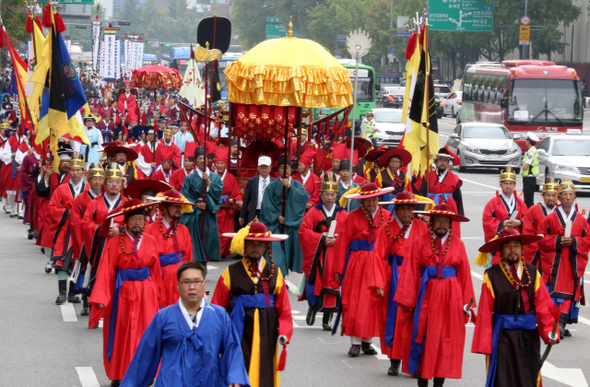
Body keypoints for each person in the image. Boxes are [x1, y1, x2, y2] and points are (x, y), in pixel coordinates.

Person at [121, 261, 250, 387]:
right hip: (171, 382)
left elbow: (231, 349)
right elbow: (145, 356)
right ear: (178, 285)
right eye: (186, 282)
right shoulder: (163, 317)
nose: (192, 287)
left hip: (209, 380)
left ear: (204, 284)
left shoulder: (219, 315)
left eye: (197, 281)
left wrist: (235, 378)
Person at [394, 203, 475, 387]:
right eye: (437, 220)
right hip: (426, 295)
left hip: (451, 297)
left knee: (446, 341)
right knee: (424, 336)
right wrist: (408, 299)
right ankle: (422, 379)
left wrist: (466, 304)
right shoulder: (419, 241)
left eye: (445, 221)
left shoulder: (458, 244)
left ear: (450, 224)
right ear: (430, 222)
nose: (441, 224)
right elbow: (410, 270)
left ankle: (439, 381)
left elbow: (464, 274)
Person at [472, 228, 560, 387]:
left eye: (516, 246)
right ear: (500, 251)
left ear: (522, 249)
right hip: (502, 337)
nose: (513, 250)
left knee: (529, 378)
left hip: (528, 336)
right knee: (503, 379)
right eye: (508, 246)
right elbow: (485, 311)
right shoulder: (491, 275)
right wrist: (485, 343)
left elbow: (544, 306)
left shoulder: (533, 273)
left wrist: (549, 332)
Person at [89, 199, 162, 387]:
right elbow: (105, 270)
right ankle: (119, 373)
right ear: (126, 221)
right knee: (121, 333)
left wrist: (158, 295)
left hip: (146, 292)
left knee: (146, 334)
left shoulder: (151, 241)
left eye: (141, 219)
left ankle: (145, 374)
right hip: (123, 293)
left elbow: (155, 272)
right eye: (135, 219)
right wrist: (101, 297)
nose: (138, 223)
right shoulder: (115, 242)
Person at [212, 221, 293, 387]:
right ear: (244, 245)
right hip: (238, 329)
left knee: (265, 370)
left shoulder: (275, 273)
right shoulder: (230, 273)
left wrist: (284, 332)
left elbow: (284, 307)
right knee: (238, 366)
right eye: (251, 243)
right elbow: (218, 307)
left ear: (266, 247)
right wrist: (217, 336)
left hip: (267, 329)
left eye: (260, 244)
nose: (255, 247)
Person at [330, 182, 394, 356]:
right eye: (367, 200)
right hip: (357, 264)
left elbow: (394, 241)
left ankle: (368, 341)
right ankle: (355, 342)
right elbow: (342, 242)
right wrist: (338, 268)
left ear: (378, 199)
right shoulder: (352, 216)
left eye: (374, 199)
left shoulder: (387, 216)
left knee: (374, 303)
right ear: (362, 201)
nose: (371, 203)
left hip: (379, 264)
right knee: (355, 302)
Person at [371, 192, 430, 376]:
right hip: (394, 276)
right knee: (394, 319)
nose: (406, 212)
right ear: (395, 209)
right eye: (403, 208)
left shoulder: (421, 226)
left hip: (416, 277)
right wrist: (379, 282)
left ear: (414, 210)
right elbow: (378, 256)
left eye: (409, 208)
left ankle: (414, 362)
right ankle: (394, 360)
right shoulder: (387, 228)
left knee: (416, 320)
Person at [538, 177, 590, 338]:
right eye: (564, 194)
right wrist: (557, 240)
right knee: (551, 292)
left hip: (572, 262)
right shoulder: (550, 219)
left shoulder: (581, 220)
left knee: (569, 292)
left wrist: (574, 241)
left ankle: (562, 322)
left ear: (575, 196)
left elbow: (587, 239)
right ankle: (553, 321)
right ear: (558, 198)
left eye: (571, 194)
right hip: (555, 262)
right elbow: (540, 237)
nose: (568, 197)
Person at [298, 172, 348, 330]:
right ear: (321, 195)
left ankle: (327, 319)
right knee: (316, 284)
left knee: (333, 285)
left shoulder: (343, 214)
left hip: (335, 256)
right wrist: (321, 238)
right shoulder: (313, 212)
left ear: (337, 195)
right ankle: (312, 308)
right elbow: (303, 231)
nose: (329, 197)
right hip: (318, 255)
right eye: (326, 194)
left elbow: (349, 234)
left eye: (333, 194)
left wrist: (337, 239)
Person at [48, 152, 89, 305]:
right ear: (69, 171)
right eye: (72, 170)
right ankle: (62, 293)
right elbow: (52, 207)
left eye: (78, 170)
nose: (75, 173)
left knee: (77, 261)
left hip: (82, 231)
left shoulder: (89, 188)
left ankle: (72, 292)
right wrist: (66, 212)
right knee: (63, 260)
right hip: (65, 230)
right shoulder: (61, 189)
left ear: (83, 171)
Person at [144, 190, 194, 308]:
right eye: (175, 206)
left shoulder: (184, 230)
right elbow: (146, 257)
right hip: (157, 275)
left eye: (180, 206)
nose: (179, 209)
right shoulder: (150, 230)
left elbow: (188, 257)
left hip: (178, 276)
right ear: (165, 207)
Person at [260, 154, 309, 275]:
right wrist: (277, 216)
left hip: (291, 224)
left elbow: (303, 198)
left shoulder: (297, 185)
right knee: (276, 253)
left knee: (291, 252)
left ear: (291, 169)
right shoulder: (271, 187)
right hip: (276, 224)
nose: (285, 170)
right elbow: (266, 205)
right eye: (282, 167)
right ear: (278, 170)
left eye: (287, 167)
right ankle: (278, 278)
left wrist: (290, 187)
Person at [82, 163, 127, 288]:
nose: (114, 185)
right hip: (99, 246)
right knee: (98, 280)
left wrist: (120, 230)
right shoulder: (95, 203)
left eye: (118, 182)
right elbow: (86, 223)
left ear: (121, 184)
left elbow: (134, 225)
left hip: (120, 247)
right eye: (111, 181)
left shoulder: (127, 204)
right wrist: (99, 230)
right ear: (105, 183)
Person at [70, 162, 104, 316]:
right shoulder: (81, 199)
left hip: (102, 240)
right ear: (89, 180)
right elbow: (76, 221)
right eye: (94, 179)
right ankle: (85, 302)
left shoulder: (106, 199)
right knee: (86, 269)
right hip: (86, 240)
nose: (97, 182)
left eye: (100, 179)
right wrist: (84, 237)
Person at [181, 146, 223, 263]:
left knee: (208, 241)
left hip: (209, 213)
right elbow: (184, 196)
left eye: (204, 158)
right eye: (199, 158)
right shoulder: (189, 178)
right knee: (195, 244)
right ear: (195, 161)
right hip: (195, 214)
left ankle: (204, 270)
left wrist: (208, 182)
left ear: (208, 160)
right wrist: (196, 204)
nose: (202, 161)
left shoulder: (215, 177)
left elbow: (218, 194)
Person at [37, 143, 72, 272]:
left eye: (68, 162)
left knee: (63, 235)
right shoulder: (51, 173)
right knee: (48, 235)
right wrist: (46, 177)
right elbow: (40, 191)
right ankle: (48, 260)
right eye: (63, 162)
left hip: (66, 210)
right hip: (50, 209)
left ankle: (61, 259)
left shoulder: (73, 175)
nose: (66, 165)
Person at [414, 148, 465, 238]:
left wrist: (460, 215)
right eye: (440, 160)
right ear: (436, 162)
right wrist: (421, 213)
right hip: (432, 205)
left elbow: (458, 198)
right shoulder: (428, 177)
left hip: (450, 207)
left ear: (448, 163)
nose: (442, 163)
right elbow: (422, 195)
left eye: (445, 161)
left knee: (451, 231)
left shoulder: (454, 178)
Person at [482, 167, 527, 265]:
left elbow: (527, 219)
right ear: (501, 185)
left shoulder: (520, 203)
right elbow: (487, 220)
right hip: (500, 241)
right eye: (505, 183)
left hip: (515, 241)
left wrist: (519, 222)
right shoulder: (493, 203)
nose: (508, 186)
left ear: (514, 185)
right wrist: (502, 223)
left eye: (511, 184)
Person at [522, 177, 558, 272]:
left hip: (556, 253)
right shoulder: (533, 211)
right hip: (539, 253)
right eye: (548, 195)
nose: (551, 198)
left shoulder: (560, 211)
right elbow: (528, 233)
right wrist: (545, 243)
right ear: (542, 195)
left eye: (554, 195)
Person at [214, 146, 243, 258]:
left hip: (226, 209)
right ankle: (214, 252)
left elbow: (236, 192)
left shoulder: (230, 177)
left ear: (225, 164)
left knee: (226, 233)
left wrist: (238, 200)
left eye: (222, 163)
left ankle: (224, 252)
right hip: (214, 208)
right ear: (215, 164)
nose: (220, 165)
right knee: (214, 232)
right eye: (218, 163)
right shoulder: (210, 176)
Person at [239, 155, 275, 226]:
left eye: (266, 166)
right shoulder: (251, 181)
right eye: (262, 166)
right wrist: (242, 215)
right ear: (258, 167)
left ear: (270, 167)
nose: (264, 169)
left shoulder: (274, 182)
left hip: (270, 213)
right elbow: (246, 200)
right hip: (255, 213)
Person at [522, 132, 539, 208]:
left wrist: (523, 163)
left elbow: (525, 166)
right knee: (528, 199)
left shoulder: (531, 153)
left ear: (528, 141)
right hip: (529, 178)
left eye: (526, 140)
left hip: (529, 178)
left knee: (528, 201)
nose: (525, 141)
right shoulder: (532, 151)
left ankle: (530, 215)